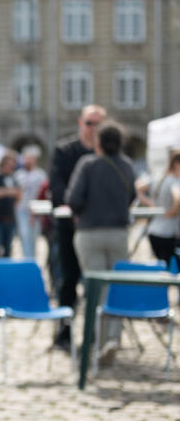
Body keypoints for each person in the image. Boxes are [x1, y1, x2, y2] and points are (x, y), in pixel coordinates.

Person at [66, 120, 136, 366]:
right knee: (115, 288)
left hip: (90, 233)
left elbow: (73, 199)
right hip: (118, 233)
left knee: (93, 289)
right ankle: (112, 339)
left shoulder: (87, 164)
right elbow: (132, 197)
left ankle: (93, 342)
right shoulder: (127, 166)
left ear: (98, 142)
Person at [49, 104, 107, 349]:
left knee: (97, 282)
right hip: (69, 226)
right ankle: (64, 332)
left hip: (96, 227)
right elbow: (57, 187)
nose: (93, 129)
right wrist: (76, 209)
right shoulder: (64, 150)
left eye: (98, 124)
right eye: (89, 123)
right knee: (68, 279)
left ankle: (97, 333)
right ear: (80, 123)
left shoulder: (106, 153)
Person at [137, 149, 180, 268]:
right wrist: (172, 212)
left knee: (162, 270)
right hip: (169, 233)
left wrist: (151, 204)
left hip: (154, 231)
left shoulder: (159, 178)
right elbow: (177, 198)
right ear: (176, 164)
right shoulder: (175, 181)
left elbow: (139, 187)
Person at [15, 146, 47, 258]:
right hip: (22, 210)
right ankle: (27, 260)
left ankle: (31, 260)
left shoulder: (40, 175)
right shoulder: (19, 175)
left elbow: (43, 194)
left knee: (33, 238)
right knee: (24, 237)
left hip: (36, 210)